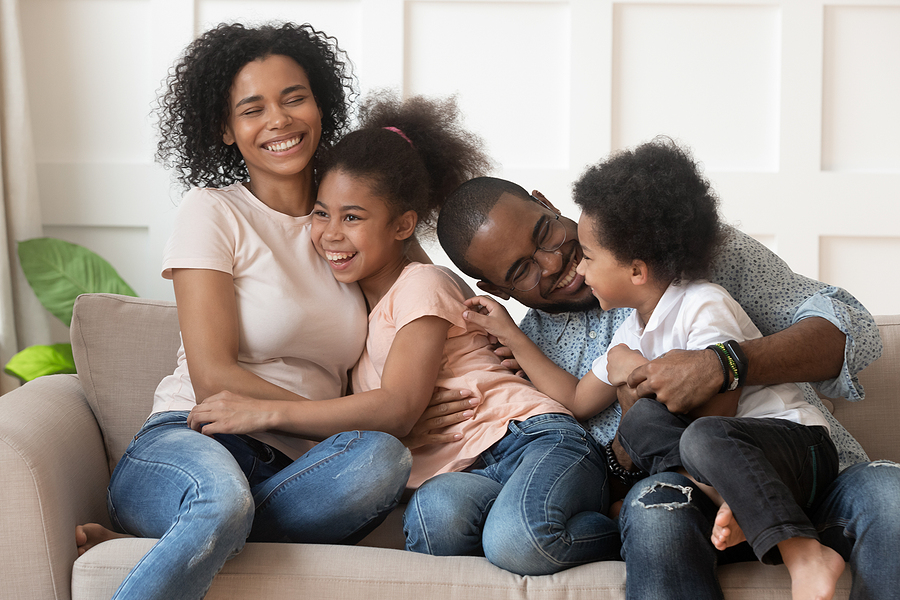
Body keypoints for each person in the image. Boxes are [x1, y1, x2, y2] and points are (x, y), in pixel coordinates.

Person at [189, 91, 621, 576]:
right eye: (321, 213)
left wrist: (264, 411)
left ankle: (621, 521)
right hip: (463, 470)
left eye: (352, 216)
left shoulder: (423, 285)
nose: (331, 233)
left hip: (527, 438)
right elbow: (385, 419)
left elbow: (396, 408)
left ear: (403, 226)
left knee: (519, 543)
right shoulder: (356, 322)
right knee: (434, 524)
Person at [436, 169, 899, 598]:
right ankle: (733, 503)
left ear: (546, 203)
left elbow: (848, 328)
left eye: (545, 234)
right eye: (521, 270)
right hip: (687, 507)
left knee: (889, 494)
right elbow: (572, 464)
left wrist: (725, 364)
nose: (556, 262)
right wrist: (626, 434)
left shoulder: (690, 253)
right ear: (496, 290)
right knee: (654, 509)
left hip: (805, 469)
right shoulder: (532, 356)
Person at [79, 23, 415, 600]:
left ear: (320, 105)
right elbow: (213, 379)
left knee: (382, 458)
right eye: (252, 108)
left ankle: (186, 539)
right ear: (226, 130)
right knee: (222, 499)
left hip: (301, 470)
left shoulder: (352, 222)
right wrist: (345, 414)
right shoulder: (213, 212)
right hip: (193, 440)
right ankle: (199, 521)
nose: (279, 121)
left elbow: (427, 301)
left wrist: (392, 414)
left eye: (294, 98)